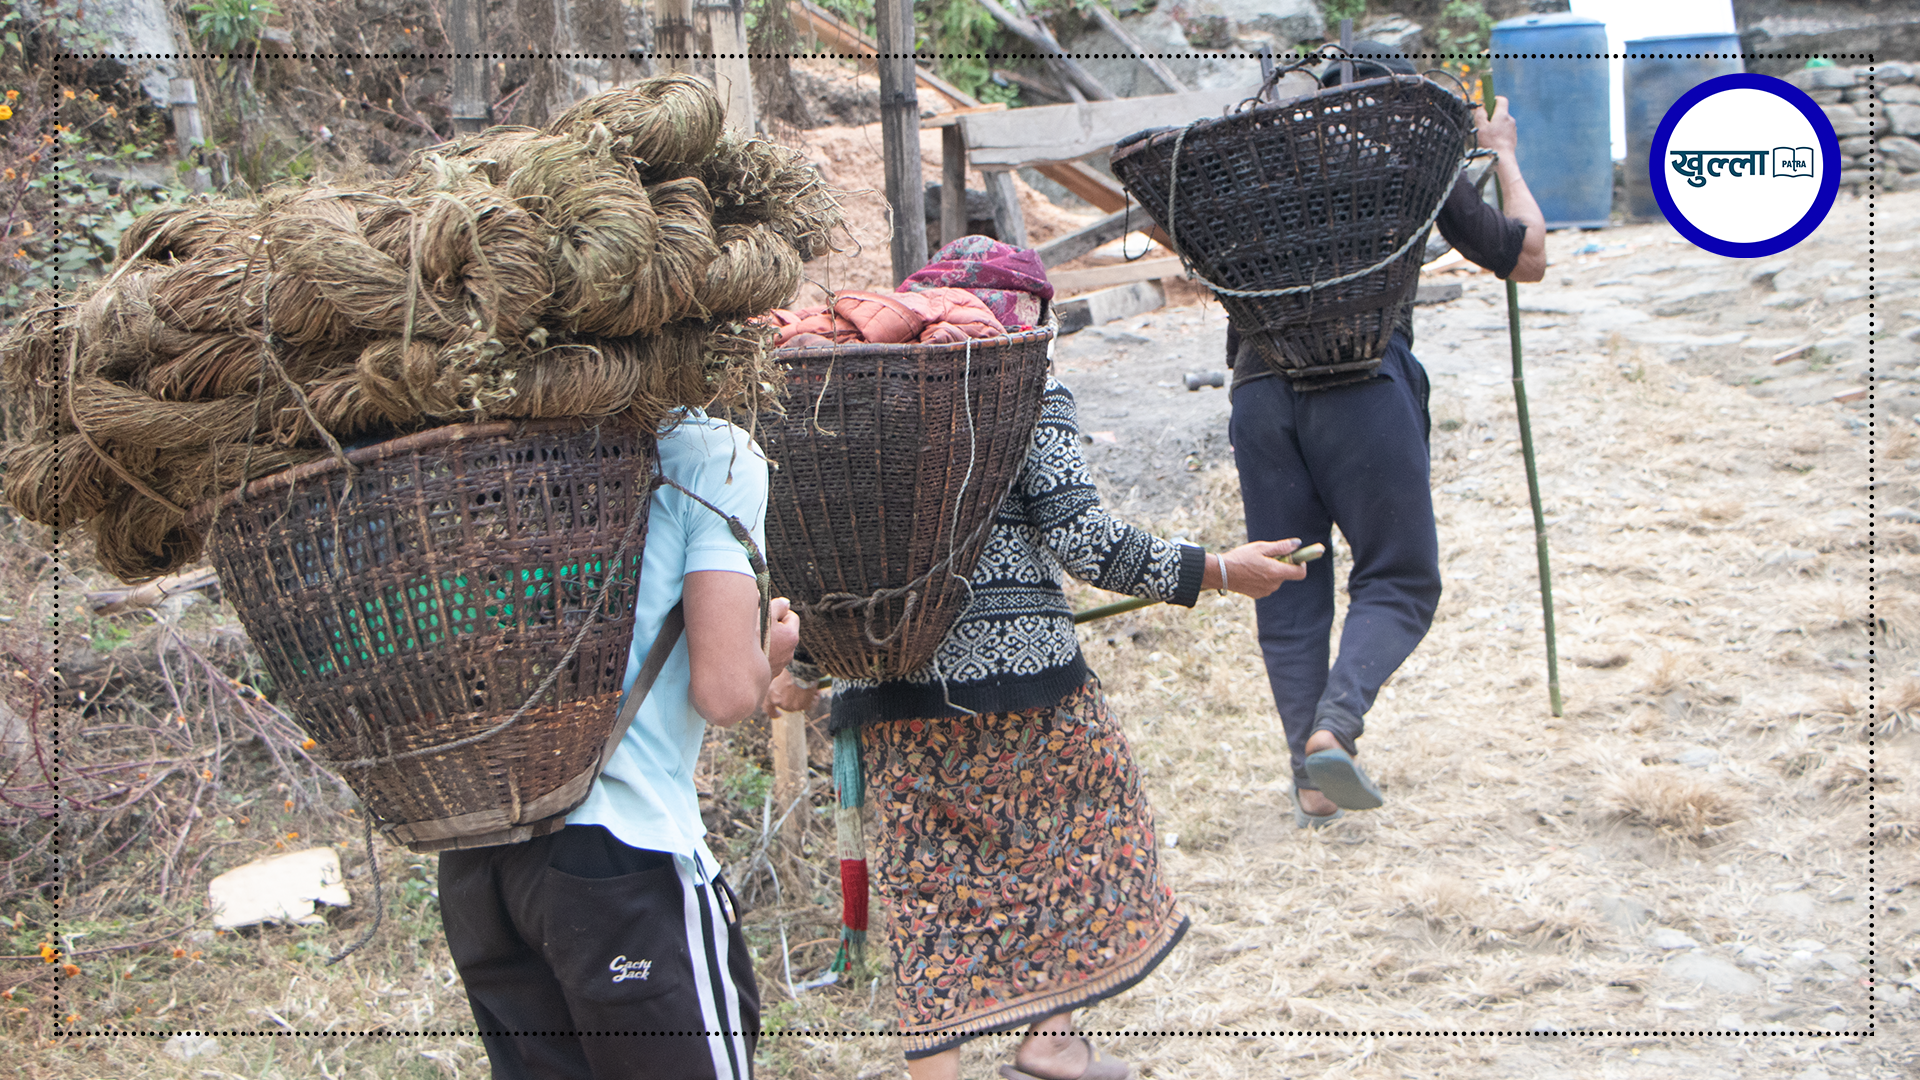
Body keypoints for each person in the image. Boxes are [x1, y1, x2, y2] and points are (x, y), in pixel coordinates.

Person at [777, 372, 1307, 1080]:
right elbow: (1083, 539)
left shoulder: (842, 394)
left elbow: (826, 553)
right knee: (1080, 836)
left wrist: (804, 663)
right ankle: (1052, 1041)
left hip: (885, 695)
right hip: (1021, 688)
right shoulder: (1015, 382)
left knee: (928, 892)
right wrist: (1216, 570)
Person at [1225, 42, 1547, 827]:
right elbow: (1526, 256)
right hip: (1361, 386)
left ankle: (1310, 781)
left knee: (1287, 578)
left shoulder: (1250, 170)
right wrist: (1500, 153)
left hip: (1259, 393)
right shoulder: (1408, 155)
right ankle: (1335, 728)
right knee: (1400, 578)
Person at [437, 410, 800, 1080]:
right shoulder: (707, 452)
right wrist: (768, 652)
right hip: (616, 852)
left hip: (479, 858)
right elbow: (725, 693)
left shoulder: (465, 448)